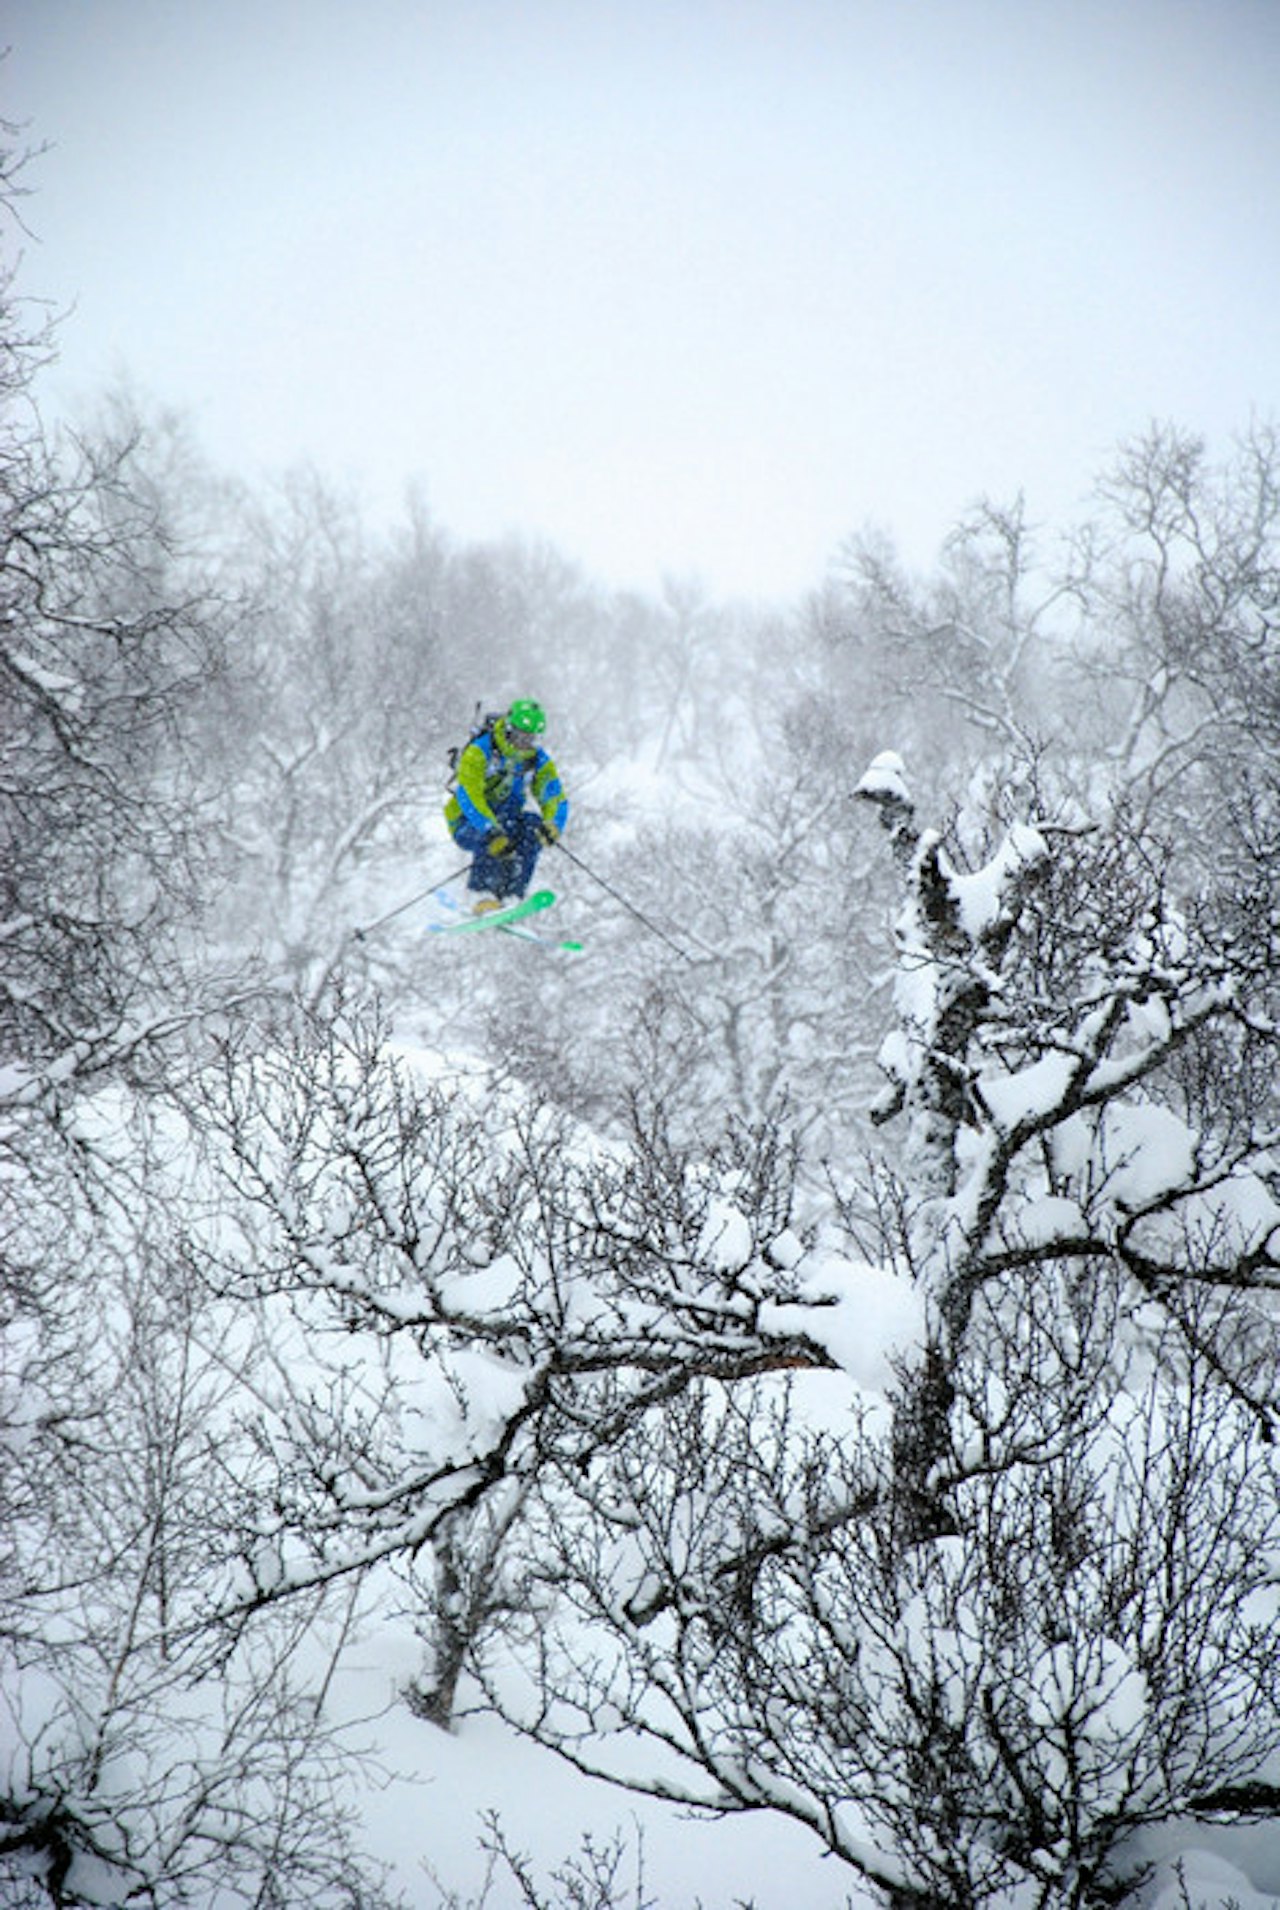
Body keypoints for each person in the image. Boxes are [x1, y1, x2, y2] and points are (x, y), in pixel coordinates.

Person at [443, 699, 569, 911]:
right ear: (509, 729)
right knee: (503, 825)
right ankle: (481, 895)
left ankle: (512, 895)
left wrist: (553, 824)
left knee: (532, 826)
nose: (524, 744)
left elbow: (553, 796)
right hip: (468, 822)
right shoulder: (480, 750)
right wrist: (489, 829)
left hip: (507, 821)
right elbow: (468, 794)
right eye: (520, 737)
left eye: (531, 739)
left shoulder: (537, 760)